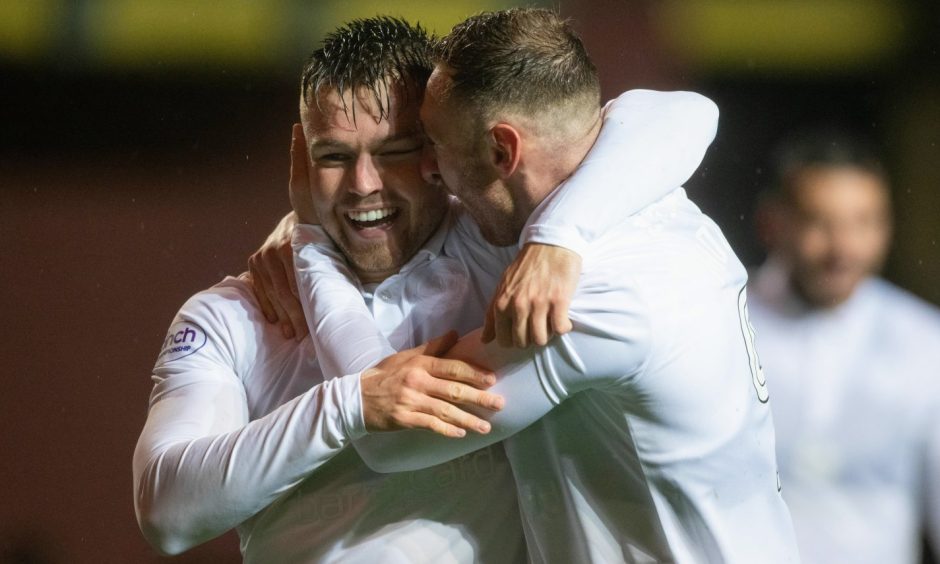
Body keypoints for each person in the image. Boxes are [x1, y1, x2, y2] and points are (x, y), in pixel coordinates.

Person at [135, 15, 720, 563]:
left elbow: (680, 117)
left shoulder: (507, 254)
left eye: (396, 153)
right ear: (302, 158)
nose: (364, 185)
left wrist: (560, 236)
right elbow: (168, 512)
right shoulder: (241, 313)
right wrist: (345, 405)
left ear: (441, 150)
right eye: (334, 157)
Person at [286, 8, 800, 563]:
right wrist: (561, 235)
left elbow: (388, 435)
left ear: (503, 151)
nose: (429, 169)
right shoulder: (643, 199)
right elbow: (682, 113)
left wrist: (312, 247)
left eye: (433, 143)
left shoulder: (586, 301)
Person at [748, 128, 940, 564]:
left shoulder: (926, 343)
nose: (844, 247)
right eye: (819, 222)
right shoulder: (720, 328)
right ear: (771, 223)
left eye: (864, 222)